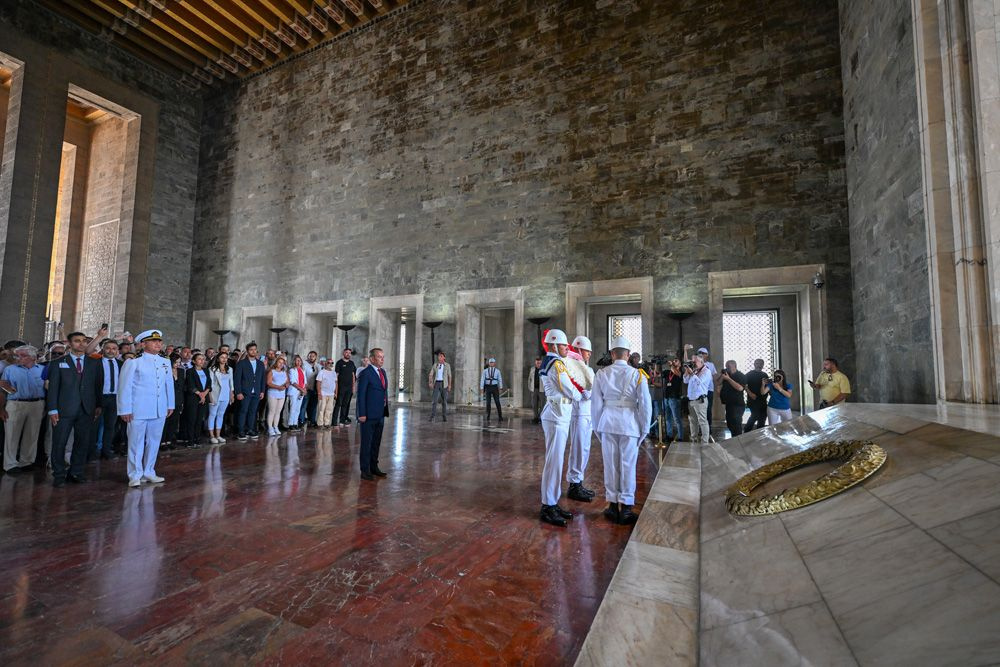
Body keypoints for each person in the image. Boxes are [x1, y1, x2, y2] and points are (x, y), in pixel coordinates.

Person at [591, 336, 652, 525]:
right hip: (629, 424)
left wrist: (597, 427)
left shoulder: (601, 374)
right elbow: (645, 404)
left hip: (608, 423)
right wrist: (644, 428)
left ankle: (612, 506)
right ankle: (626, 509)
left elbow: (595, 404)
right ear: (627, 355)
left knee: (610, 464)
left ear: (612, 354)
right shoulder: (638, 374)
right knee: (627, 465)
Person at [118, 330, 175, 487]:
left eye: (160, 341)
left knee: (154, 441)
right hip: (139, 409)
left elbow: (169, 384)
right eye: (153, 341)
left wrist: (170, 404)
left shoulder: (165, 361)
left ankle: (149, 471)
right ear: (143, 344)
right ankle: (135, 474)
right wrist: (124, 409)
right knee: (136, 442)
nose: (158, 344)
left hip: (159, 408)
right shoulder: (134, 362)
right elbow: (125, 387)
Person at [538, 329, 583, 527]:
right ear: (554, 345)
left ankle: (553, 502)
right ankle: (548, 506)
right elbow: (567, 387)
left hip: (559, 413)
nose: (567, 348)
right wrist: (581, 394)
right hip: (556, 414)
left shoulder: (554, 362)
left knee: (556, 460)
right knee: (554, 461)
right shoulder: (555, 363)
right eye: (564, 345)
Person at [47, 331, 103, 487]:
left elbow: (98, 386)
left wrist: (98, 405)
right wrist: (52, 410)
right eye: (77, 341)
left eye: (84, 341)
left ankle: (76, 472)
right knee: (59, 443)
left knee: (82, 442)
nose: (82, 343)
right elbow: (53, 389)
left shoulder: (94, 363)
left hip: (86, 409)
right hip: (64, 409)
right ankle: (58, 474)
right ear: (70, 344)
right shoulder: (59, 362)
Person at [1, 345, 46, 474]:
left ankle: (26, 461)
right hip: (15, 404)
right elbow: (2, 390)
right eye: (17, 355)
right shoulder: (10, 369)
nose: (18, 358)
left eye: (22, 355)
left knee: (32, 434)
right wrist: (1, 408)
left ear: (32, 357)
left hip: (37, 404)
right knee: (11, 434)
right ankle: (10, 464)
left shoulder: (42, 370)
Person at [566, 335, 597, 502]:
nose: (589, 354)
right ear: (578, 350)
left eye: (590, 351)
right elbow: (583, 393)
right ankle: (574, 484)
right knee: (578, 449)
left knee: (584, 449)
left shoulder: (587, 369)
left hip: (588, 413)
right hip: (579, 413)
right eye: (586, 351)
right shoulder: (572, 368)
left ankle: (578, 481)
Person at [356, 348, 389, 480]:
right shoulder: (366, 373)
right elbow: (361, 395)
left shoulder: (383, 372)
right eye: (379, 357)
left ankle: (374, 467)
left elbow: (383, 391)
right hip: (368, 415)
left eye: (383, 356)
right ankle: (365, 470)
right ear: (372, 359)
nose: (382, 359)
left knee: (376, 443)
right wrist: (361, 413)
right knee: (366, 443)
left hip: (380, 414)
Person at [94, 339, 123, 460]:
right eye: (108, 348)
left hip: (115, 398)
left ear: (117, 351)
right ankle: (92, 452)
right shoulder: (96, 363)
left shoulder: (121, 364)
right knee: (94, 427)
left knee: (110, 426)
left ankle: (106, 451)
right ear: (103, 349)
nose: (111, 351)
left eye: (114, 348)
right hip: (99, 398)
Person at [234, 342, 266, 441]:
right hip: (244, 392)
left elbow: (262, 379)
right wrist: (238, 392)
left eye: (255, 349)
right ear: (247, 351)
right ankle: (241, 431)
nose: (253, 351)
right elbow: (237, 379)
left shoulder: (260, 364)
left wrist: (262, 391)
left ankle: (250, 429)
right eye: (251, 350)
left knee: (253, 412)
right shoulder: (241, 363)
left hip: (256, 392)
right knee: (243, 411)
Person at [181, 352, 211, 447]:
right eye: (199, 359)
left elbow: (209, 384)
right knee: (191, 419)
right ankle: (190, 440)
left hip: (203, 398)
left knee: (199, 420)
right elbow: (190, 385)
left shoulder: (206, 370)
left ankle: (197, 438)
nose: (202, 361)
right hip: (193, 398)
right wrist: (200, 394)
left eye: (203, 359)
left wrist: (204, 394)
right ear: (194, 361)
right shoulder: (190, 371)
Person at [684, 345, 717, 425]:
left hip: (708, 389)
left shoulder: (710, 365)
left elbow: (714, 377)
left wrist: (717, 387)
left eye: (703, 353)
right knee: (696, 414)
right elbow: (686, 363)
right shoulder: (695, 365)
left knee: (708, 410)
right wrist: (685, 350)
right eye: (699, 353)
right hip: (698, 391)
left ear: (707, 355)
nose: (701, 354)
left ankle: (709, 429)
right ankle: (699, 430)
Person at [682, 355, 712, 443]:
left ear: (701, 362)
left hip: (700, 400)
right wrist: (687, 372)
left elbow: (699, 382)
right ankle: (693, 439)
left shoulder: (707, 371)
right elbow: (685, 381)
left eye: (695, 361)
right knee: (692, 421)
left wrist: (691, 373)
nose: (693, 363)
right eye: (692, 361)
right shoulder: (694, 370)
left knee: (702, 421)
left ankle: (704, 441)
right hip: (691, 400)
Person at [207, 351, 233, 444]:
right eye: (222, 357)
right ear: (218, 358)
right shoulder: (212, 369)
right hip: (215, 394)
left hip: (225, 395)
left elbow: (231, 383)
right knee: (212, 415)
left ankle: (218, 435)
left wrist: (231, 394)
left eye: (226, 357)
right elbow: (210, 384)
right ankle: (211, 435)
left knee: (221, 415)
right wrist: (210, 396)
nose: (224, 359)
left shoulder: (230, 369)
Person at [717, 360, 747, 437]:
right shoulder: (726, 375)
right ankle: (734, 439)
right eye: (726, 366)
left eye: (728, 366)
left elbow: (740, 388)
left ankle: (738, 441)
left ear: (734, 366)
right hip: (728, 404)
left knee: (736, 425)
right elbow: (718, 383)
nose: (727, 368)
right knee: (730, 423)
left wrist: (729, 379)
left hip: (737, 405)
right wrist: (722, 376)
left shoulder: (741, 376)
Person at [265, 356, 289, 437]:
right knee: (272, 411)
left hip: (282, 394)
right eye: (279, 362)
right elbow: (268, 383)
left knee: (278, 412)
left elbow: (287, 382)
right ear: (276, 363)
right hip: (273, 393)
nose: (281, 364)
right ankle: (270, 428)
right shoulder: (272, 371)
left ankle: (275, 426)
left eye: (283, 363)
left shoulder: (284, 372)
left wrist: (285, 385)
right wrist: (278, 387)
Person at [333, 348, 357, 426]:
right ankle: (334, 422)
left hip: (349, 388)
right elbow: (336, 376)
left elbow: (353, 375)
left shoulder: (352, 363)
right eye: (346, 352)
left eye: (349, 353)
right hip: (341, 387)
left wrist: (353, 387)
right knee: (338, 404)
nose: (348, 354)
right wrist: (335, 389)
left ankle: (342, 420)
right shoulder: (339, 363)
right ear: (343, 353)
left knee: (345, 404)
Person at [663, 357, 684, 441]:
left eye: (676, 360)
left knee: (677, 419)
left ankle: (680, 437)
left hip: (675, 398)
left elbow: (676, 372)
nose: (674, 362)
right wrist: (658, 363)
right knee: (668, 418)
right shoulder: (668, 372)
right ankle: (669, 435)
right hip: (666, 397)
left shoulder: (680, 372)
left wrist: (671, 365)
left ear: (680, 364)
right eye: (673, 361)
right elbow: (658, 373)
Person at [743, 358, 768, 431]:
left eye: (761, 364)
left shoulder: (765, 374)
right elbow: (744, 384)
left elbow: (767, 386)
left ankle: (760, 433)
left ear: (763, 365)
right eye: (757, 363)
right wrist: (750, 393)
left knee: (762, 417)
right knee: (755, 416)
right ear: (754, 364)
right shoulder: (749, 374)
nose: (759, 365)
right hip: (753, 400)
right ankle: (746, 431)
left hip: (763, 400)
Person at [427, 351, 452, 422]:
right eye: (438, 356)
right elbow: (431, 374)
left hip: (444, 384)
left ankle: (444, 416)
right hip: (437, 384)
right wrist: (430, 382)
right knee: (434, 401)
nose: (439, 357)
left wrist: (449, 385)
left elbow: (449, 376)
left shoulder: (447, 365)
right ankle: (432, 416)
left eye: (441, 356)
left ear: (444, 357)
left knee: (444, 401)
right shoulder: (435, 365)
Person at [285, 355, 307, 431]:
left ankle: (295, 423)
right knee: (293, 408)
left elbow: (305, 381)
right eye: (297, 360)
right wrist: (301, 389)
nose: (298, 362)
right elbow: (293, 382)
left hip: (301, 391)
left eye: (299, 360)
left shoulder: (303, 370)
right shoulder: (292, 370)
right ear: (294, 361)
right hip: (294, 391)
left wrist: (304, 389)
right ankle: (291, 424)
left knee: (298, 408)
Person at [480, 357, 504, 422]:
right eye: (490, 362)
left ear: (494, 363)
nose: (491, 363)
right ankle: (488, 416)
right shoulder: (485, 371)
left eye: (492, 362)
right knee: (488, 403)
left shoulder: (497, 371)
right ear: (489, 363)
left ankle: (500, 416)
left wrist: (501, 387)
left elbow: (500, 379)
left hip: (495, 387)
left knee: (497, 402)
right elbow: (482, 379)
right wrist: (481, 387)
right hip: (488, 387)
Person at [316, 358, 338, 427]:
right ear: (325, 363)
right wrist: (319, 393)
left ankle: (327, 423)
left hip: (331, 394)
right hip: (323, 393)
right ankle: (320, 423)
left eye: (332, 363)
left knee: (329, 409)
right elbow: (318, 382)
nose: (330, 364)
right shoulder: (322, 372)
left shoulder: (334, 373)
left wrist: (336, 393)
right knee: (321, 409)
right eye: (328, 363)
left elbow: (336, 383)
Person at [301, 350, 319, 426]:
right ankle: (301, 420)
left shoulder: (317, 366)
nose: (311, 357)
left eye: (313, 356)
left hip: (314, 389)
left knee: (313, 406)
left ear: (315, 357)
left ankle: (312, 420)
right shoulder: (304, 364)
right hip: (306, 388)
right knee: (304, 405)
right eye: (310, 356)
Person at [528, 357, 544, 424]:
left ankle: (540, 417)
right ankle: (535, 418)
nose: (538, 364)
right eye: (537, 363)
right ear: (535, 363)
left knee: (542, 404)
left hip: (542, 390)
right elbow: (529, 379)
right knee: (534, 405)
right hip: (534, 390)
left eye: (539, 363)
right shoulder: (532, 369)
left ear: (541, 363)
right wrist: (530, 388)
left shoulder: (544, 370)